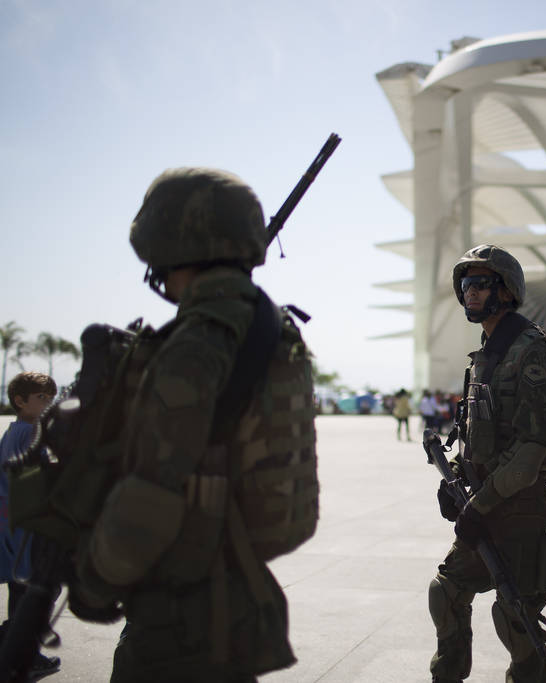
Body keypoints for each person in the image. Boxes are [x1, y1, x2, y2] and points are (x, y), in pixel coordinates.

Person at [72, 168, 317, 682]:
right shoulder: (268, 323)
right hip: (230, 587)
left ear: (168, 242)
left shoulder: (200, 340)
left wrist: (95, 580)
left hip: (181, 613)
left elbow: (151, 492)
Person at [429, 244, 546, 683]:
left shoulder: (531, 351)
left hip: (519, 509)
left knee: (516, 618)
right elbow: (481, 435)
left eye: (481, 284)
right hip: (484, 504)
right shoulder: (486, 355)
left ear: (506, 291)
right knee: (446, 591)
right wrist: (456, 477)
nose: (470, 292)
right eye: (467, 284)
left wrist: (480, 504)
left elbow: (532, 449)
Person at [0, 371, 61, 678]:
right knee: (39, 591)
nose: (49, 402)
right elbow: (26, 479)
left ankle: (16, 648)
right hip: (27, 529)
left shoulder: (17, 431)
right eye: (41, 398)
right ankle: (19, 648)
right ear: (20, 401)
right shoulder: (27, 433)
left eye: (51, 397)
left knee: (22, 590)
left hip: (17, 525)